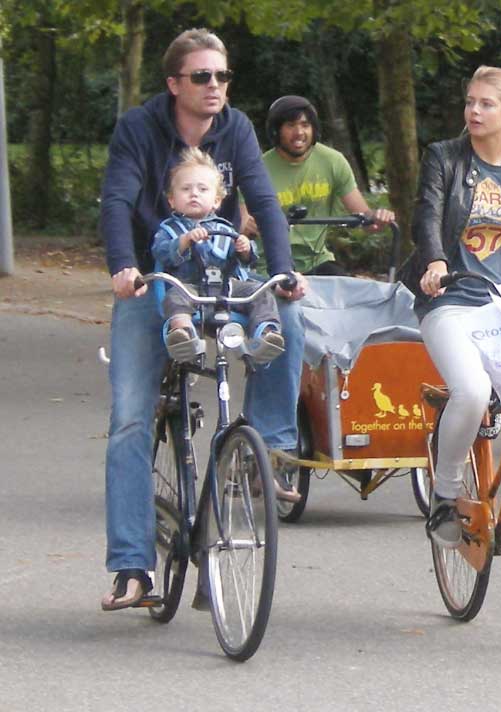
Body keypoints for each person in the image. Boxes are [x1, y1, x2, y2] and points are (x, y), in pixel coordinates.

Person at [99, 28, 307, 611]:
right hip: (156, 281)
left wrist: (283, 270)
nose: (215, 85)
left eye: (222, 76)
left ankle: (266, 449)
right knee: (131, 418)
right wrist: (124, 267)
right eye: (202, 76)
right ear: (174, 84)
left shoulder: (235, 128)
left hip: (218, 278)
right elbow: (116, 201)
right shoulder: (139, 128)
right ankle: (132, 566)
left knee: (288, 318)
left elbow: (263, 203)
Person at [405, 65, 501, 548]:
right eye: (470, 101)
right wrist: (435, 261)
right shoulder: (444, 158)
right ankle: (446, 496)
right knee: (471, 392)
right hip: (450, 301)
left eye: (486, 103)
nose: (473, 111)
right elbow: (428, 214)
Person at [152, 147, 285, 364]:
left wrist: (245, 248)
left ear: (216, 200)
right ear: (172, 200)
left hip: (226, 287)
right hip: (190, 287)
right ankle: (183, 333)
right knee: (174, 296)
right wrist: (184, 241)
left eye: (202, 189)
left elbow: (246, 261)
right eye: (186, 189)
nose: (194, 193)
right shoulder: (169, 230)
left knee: (260, 292)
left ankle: (265, 334)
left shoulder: (225, 229)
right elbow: (161, 252)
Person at [241, 95, 395, 275]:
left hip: (317, 260)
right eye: (291, 125)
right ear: (276, 131)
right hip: (269, 265)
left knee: (344, 287)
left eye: (305, 125)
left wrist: (378, 218)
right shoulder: (257, 168)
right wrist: (247, 227)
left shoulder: (332, 161)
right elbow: (242, 225)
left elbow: (366, 220)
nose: (299, 132)